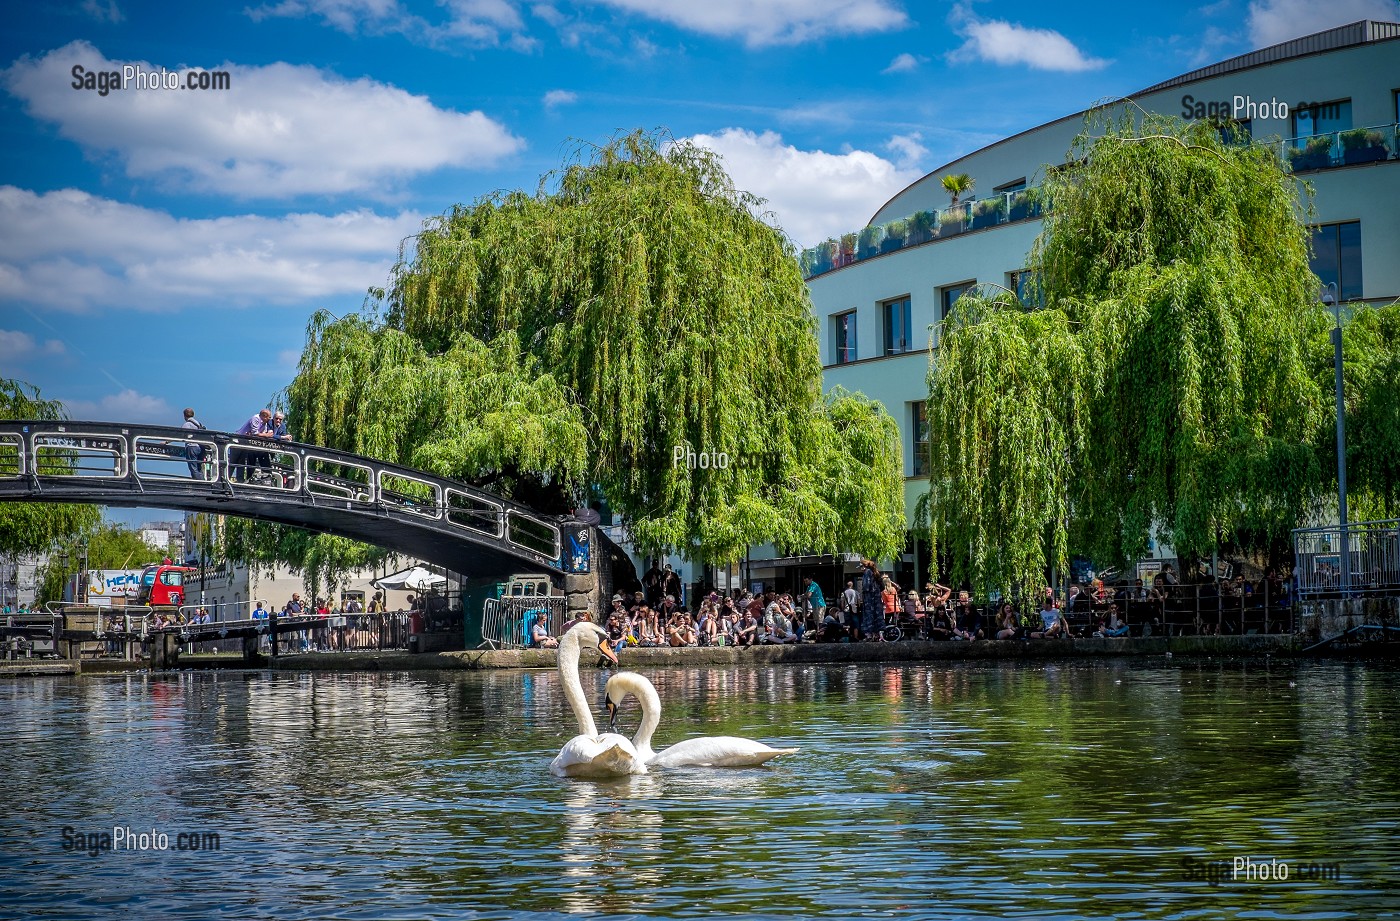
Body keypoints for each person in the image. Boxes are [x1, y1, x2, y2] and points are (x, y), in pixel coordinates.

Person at [233, 409, 272, 482]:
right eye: (269, 417)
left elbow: (262, 433)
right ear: (264, 416)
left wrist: (265, 434)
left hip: (245, 443)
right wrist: (266, 435)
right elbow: (255, 433)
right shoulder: (256, 418)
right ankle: (225, 480)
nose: (270, 419)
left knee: (241, 463)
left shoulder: (265, 423)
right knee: (234, 461)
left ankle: (240, 481)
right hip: (238, 441)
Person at [859, 560, 883, 641]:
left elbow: (866, 586)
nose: (861, 569)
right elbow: (882, 586)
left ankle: (869, 635)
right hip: (877, 598)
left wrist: (863, 592)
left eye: (861, 567)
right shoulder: (876, 573)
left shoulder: (867, 572)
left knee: (869, 615)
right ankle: (877, 634)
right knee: (877, 615)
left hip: (869, 598)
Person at [182, 408, 206, 479]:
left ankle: (199, 484)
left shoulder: (187, 424)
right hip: (200, 447)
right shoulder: (199, 424)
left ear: (184, 416)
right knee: (199, 467)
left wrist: (166, 442)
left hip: (192, 447)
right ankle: (203, 482)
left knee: (193, 468)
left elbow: (179, 434)